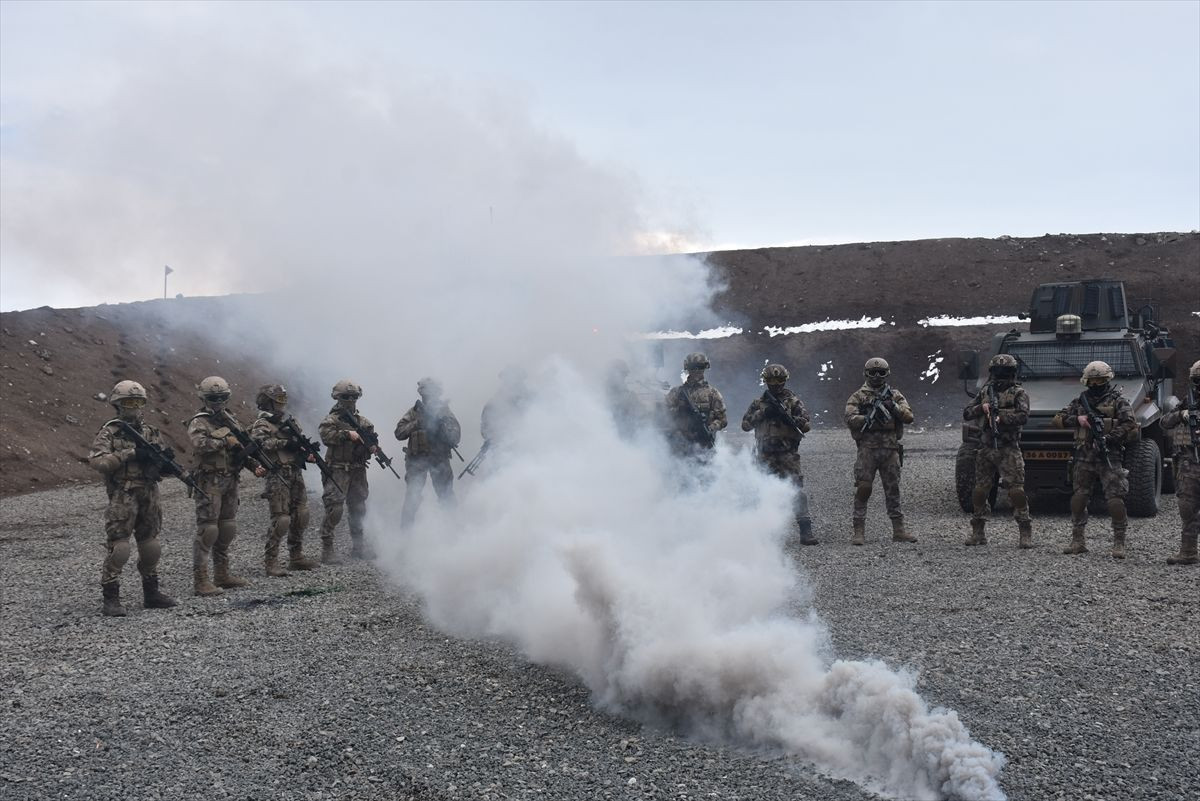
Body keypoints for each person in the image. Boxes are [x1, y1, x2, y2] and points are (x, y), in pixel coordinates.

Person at [88, 380, 178, 616]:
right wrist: (131, 453)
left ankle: (151, 593)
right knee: (119, 547)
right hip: (123, 493)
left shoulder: (150, 432)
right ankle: (111, 598)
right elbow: (100, 462)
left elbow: (162, 464)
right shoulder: (110, 431)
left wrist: (163, 462)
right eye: (129, 402)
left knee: (151, 544)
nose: (134, 407)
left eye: (138, 402)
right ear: (118, 405)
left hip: (149, 491)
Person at [187, 376, 266, 596]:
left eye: (222, 398)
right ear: (204, 398)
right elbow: (199, 445)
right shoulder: (199, 421)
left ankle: (222, 574)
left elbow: (239, 449)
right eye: (213, 398)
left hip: (231, 478)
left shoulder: (231, 420)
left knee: (227, 528)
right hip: (209, 480)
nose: (218, 402)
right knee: (208, 530)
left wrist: (253, 465)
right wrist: (223, 440)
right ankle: (201, 580)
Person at [1052, 360, 1138, 558]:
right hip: (1084, 456)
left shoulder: (1118, 402)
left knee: (1115, 499)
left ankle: (1119, 543)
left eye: (1099, 380)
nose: (1095, 384)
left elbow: (1130, 425)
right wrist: (1077, 419)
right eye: (1092, 380)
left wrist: (1109, 438)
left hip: (1109, 455)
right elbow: (1058, 419)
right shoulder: (1080, 401)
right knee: (1079, 498)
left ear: (1107, 380)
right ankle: (1077, 541)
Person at [741, 363, 818, 545]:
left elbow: (806, 425)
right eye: (771, 381)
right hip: (764, 454)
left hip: (787, 454)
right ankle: (761, 532)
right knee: (761, 492)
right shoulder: (758, 403)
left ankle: (805, 531)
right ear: (766, 382)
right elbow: (745, 425)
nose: (775, 385)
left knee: (796, 491)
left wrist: (790, 418)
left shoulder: (793, 402)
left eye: (779, 381)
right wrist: (764, 413)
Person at [249, 384, 321, 576]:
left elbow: (296, 446)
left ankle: (296, 556)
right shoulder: (262, 425)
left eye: (282, 400)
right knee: (281, 519)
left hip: (295, 471)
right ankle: (271, 561)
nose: (281, 405)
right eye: (277, 401)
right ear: (268, 403)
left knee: (301, 514)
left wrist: (305, 453)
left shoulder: (289, 422)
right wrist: (287, 443)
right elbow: (260, 443)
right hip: (278, 474)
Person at [962, 354, 1034, 548]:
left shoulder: (1019, 393)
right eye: (998, 372)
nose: (1001, 375)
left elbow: (1023, 416)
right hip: (986, 448)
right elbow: (967, 413)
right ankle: (978, 532)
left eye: (1005, 372)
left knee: (1016, 491)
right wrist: (981, 408)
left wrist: (1001, 416)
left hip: (1008, 448)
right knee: (980, 491)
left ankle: (1024, 530)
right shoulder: (985, 391)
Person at [843, 357, 917, 545]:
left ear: (887, 374)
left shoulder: (894, 395)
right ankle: (859, 531)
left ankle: (898, 530)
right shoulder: (858, 396)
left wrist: (894, 407)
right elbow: (849, 417)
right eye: (873, 373)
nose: (877, 376)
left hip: (890, 448)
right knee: (864, 487)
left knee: (893, 489)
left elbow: (909, 416)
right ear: (866, 374)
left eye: (881, 373)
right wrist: (866, 418)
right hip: (867, 449)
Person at [317, 379, 377, 563]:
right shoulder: (331, 420)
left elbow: (371, 441)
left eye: (353, 397)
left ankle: (359, 547)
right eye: (346, 397)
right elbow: (326, 437)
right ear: (337, 397)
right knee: (334, 508)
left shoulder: (364, 422)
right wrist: (346, 434)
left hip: (357, 469)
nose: (350, 400)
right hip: (337, 469)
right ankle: (327, 549)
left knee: (358, 507)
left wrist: (372, 446)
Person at [394, 377, 462, 529]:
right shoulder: (414, 412)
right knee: (413, 498)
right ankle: (406, 535)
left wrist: (442, 425)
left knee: (446, 496)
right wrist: (417, 423)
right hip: (417, 460)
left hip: (439, 459)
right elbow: (399, 433)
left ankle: (454, 531)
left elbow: (455, 437)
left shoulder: (444, 411)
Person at [1159, 359, 1199, 565]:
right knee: (1187, 507)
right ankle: (1189, 552)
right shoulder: (1188, 401)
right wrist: (1181, 415)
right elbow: (1164, 422)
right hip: (1189, 463)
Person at [664, 352, 727, 458]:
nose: (697, 371)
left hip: (703, 446)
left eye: (700, 367)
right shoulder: (677, 393)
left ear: (705, 368)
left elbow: (722, 420)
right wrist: (679, 410)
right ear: (688, 368)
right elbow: (663, 415)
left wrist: (710, 428)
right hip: (680, 447)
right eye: (693, 367)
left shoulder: (712, 393)